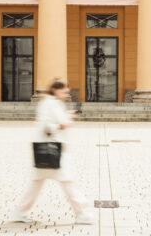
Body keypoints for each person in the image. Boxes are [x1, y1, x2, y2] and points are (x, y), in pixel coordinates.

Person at [10, 79, 94, 225]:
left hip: (47, 148)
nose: (65, 94)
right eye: (64, 91)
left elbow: (52, 120)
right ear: (55, 90)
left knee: (36, 183)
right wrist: (63, 123)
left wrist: (66, 117)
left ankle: (20, 211)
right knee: (66, 181)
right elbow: (48, 125)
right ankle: (80, 212)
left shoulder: (50, 102)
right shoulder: (51, 103)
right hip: (52, 149)